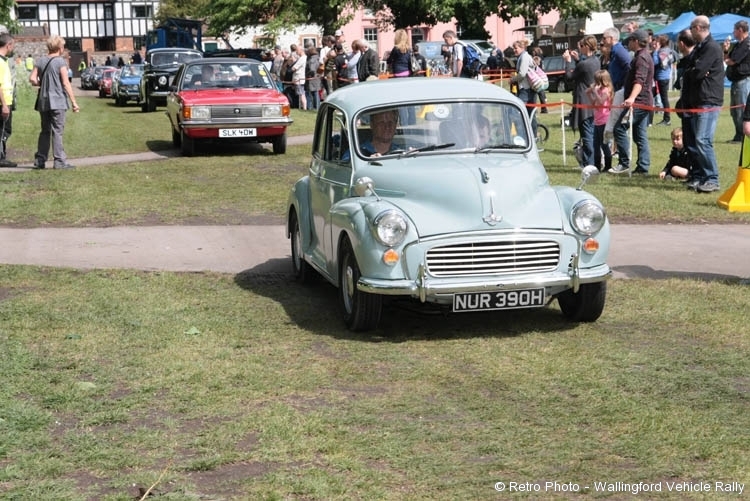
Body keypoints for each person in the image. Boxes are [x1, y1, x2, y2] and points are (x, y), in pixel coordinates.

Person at [682, 15, 724, 193]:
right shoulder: (700, 47)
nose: (690, 31)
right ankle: (699, 176)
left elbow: (698, 72)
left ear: (698, 28)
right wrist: (694, 70)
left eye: (692, 28)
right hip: (697, 99)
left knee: (703, 140)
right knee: (695, 140)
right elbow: (689, 69)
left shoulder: (711, 47)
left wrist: (695, 70)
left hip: (709, 100)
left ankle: (712, 178)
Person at [29, 35, 80, 170]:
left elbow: (32, 78)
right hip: (58, 101)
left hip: (43, 101)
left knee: (45, 130)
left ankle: (40, 160)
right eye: (63, 46)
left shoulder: (41, 60)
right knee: (57, 131)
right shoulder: (60, 62)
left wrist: (42, 83)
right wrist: (74, 102)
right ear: (59, 47)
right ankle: (59, 161)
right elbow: (66, 83)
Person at [610, 29, 654, 176]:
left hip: (639, 103)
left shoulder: (642, 58)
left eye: (630, 40)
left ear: (636, 41)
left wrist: (632, 98)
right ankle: (643, 167)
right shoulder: (642, 56)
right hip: (643, 102)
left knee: (619, 129)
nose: (628, 43)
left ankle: (624, 163)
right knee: (639, 135)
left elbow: (639, 80)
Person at [563, 36, 599, 167]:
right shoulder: (595, 61)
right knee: (590, 133)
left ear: (587, 47)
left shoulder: (585, 64)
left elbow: (569, 77)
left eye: (582, 46)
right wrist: (577, 59)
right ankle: (589, 161)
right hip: (593, 100)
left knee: (587, 134)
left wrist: (568, 62)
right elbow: (583, 72)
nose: (580, 48)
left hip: (584, 102)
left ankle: (589, 163)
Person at [725, 20, 750, 143]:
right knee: (734, 110)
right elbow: (727, 58)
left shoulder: (746, 44)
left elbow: (732, 61)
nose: (733, 32)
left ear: (740, 30)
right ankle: (738, 135)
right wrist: (725, 50)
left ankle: (742, 136)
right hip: (736, 81)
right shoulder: (738, 45)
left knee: (741, 109)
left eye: (734, 30)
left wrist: (726, 60)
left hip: (743, 81)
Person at [586, 69, 614, 172]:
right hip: (597, 121)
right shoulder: (599, 90)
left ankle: (608, 165)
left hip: (604, 120)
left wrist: (594, 91)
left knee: (604, 144)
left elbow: (602, 102)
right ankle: (597, 165)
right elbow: (594, 104)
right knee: (596, 145)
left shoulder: (606, 90)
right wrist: (589, 93)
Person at [510, 39, 538, 138]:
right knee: (530, 114)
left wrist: (512, 79)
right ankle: (532, 137)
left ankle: (522, 136)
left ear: (522, 48)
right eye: (513, 48)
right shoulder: (523, 57)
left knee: (517, 112)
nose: (514, 50)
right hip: (528, 89)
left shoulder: (524, 57)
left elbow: (522, 74)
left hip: (526, 90)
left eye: (516, 48)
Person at [0, 33, 16, 167]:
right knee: (3, 130)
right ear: (8, 45)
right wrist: (4, 105)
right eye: (13, 45)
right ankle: (1, 158)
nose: (13, 48)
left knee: (4, 130)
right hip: (3, 103)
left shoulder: (3, 60)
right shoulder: (0, 62)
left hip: (6, 101)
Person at [653, 34, 675, 127]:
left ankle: (667, 119)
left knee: (664, 98)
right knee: (661, 97)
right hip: (666, 76)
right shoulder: (669, 50)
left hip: (662, 77)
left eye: (658, 41)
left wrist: (655, 51)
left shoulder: (662, 51)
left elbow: (655, 62)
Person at [601, 27, 631, 92]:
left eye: (604, 38)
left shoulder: (619, 51)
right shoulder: (614, 51)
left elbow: (628, 67)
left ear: (611, 38)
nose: (602, 41)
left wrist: (623, 85)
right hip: (615, 88)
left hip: (619, 89)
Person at [291, 43, 307, 110]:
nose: (296, 52)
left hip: (299, 78)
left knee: (301, 94)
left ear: (301, 50)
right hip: (299, 78)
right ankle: (301, 107)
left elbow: (294, 68)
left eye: (297, 50)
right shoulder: (301, 58)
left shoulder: (302, 58)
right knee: (300, 94)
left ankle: (304, 108)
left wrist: (292, 68)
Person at [532, 47, 548, 113]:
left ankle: (542, 109)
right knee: (541, 94)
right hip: (542, 76)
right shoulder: (542, 57)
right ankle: (544, 108)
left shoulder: (536, 58)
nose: (532, 52)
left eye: (533, 51)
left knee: (537, 94)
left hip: (538, 77)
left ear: (535, 51)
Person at [304, 43, 321, 111]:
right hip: (316, 77)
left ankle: (313, 107)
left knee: (313, 93)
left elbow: (312, 69)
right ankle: (316, 107)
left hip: (312, 79)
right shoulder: (317, 57)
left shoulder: (312, 59)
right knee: (315, 93)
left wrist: (308, 74)